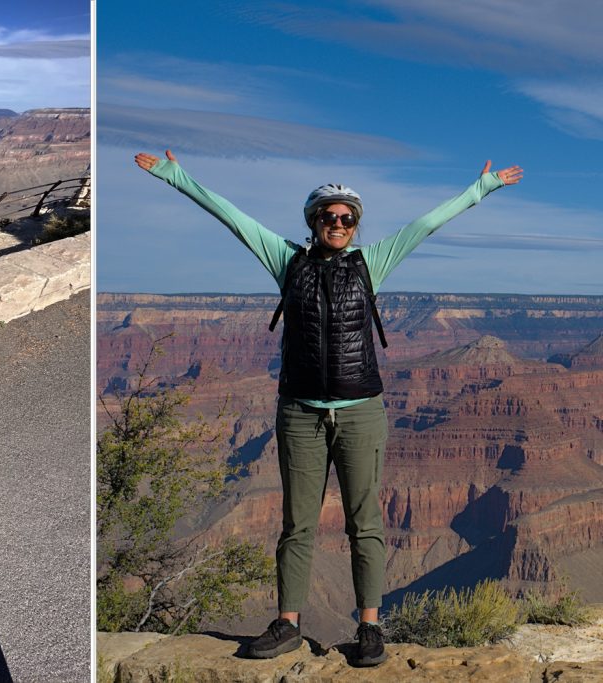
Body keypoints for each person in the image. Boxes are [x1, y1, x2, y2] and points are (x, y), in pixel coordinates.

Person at [134, 149, 522, 667]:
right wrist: (176, 176)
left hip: (361, 410)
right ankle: (288, 623)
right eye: (328, 216)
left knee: (364, 522)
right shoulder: (285, 259)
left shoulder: (373, 262)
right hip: (300, 412)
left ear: (355, 226)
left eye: (346, 218)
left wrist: (481, 189)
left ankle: (369, 627)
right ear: (313, 222)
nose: (337, 224)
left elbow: (425, 224)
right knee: (297, 523)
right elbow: (233, 218)